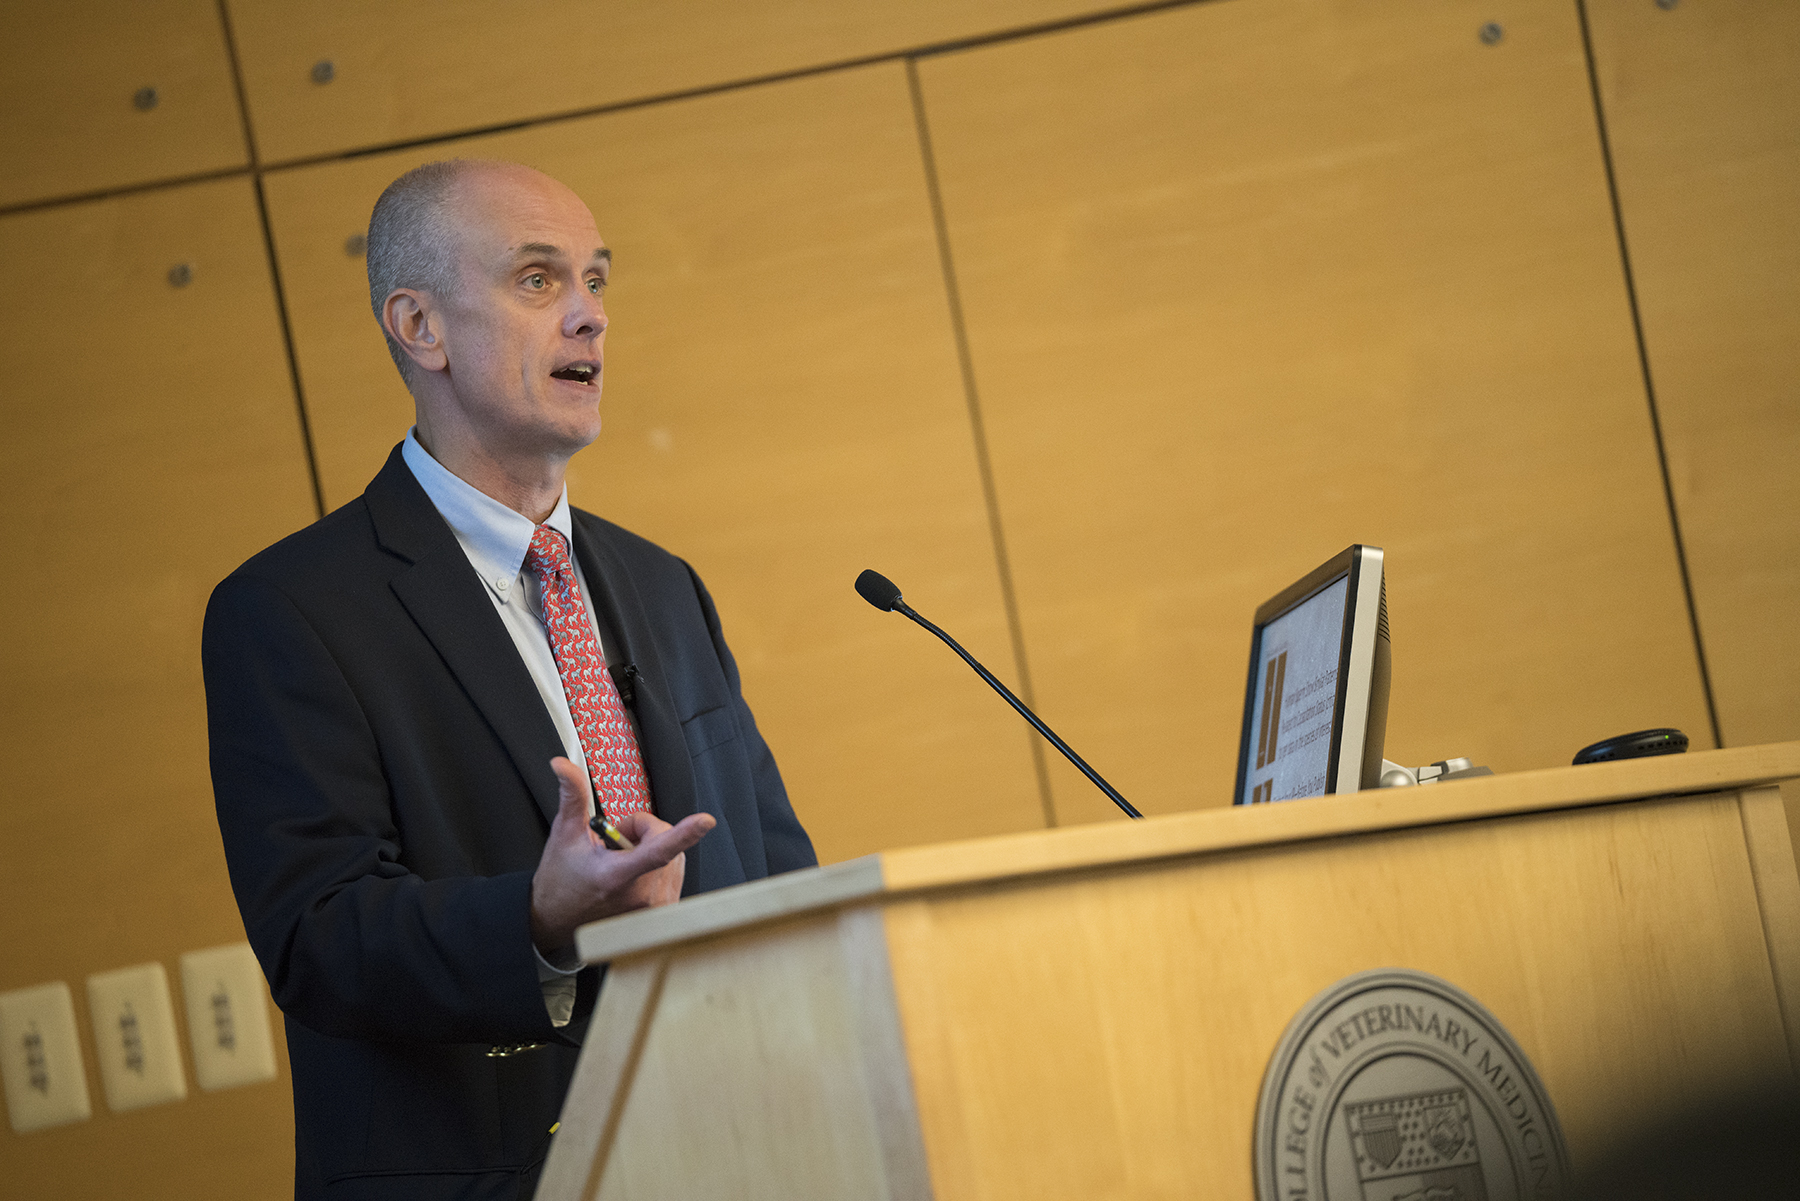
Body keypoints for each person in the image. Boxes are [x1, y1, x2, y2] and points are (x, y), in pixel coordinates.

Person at [202, 159, 816, 1200]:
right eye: (538, 280)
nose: (589, 317)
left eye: (597, 280)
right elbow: (318, 936)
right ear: (420, 327)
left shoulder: (662, 585)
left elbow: (775, 869)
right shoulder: (291, 612)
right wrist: (538, 919)